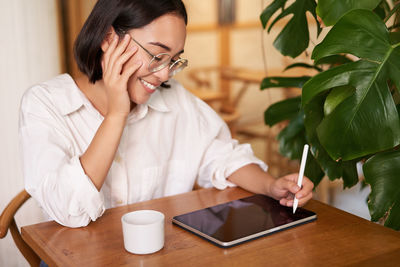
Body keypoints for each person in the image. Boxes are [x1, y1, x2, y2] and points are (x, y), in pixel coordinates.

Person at [19, 0, 313, 228]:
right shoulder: (45, 104)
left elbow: (223, 156)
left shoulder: (176, 102)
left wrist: (271, 186)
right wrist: (116, 116)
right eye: (156, 54)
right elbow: (68, 210)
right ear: (108, 39)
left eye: (173, 60)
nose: (163, 74)